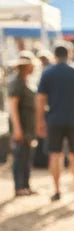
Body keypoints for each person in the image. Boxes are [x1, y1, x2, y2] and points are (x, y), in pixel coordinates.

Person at [35, 42, 74, 201]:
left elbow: (40, 99)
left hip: (54, 119)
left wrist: (40, 120)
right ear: (69, 54)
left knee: (55, 155)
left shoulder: (47, 73)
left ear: (54, 55)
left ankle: (56, 190)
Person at [6, 52, 37, 196]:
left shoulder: (26, 81)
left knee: (27, 156)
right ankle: (19, 187)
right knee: (19, 157)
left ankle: (26, 185)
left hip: (28, 127)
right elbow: (13, 107)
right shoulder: (17, 83)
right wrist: (17, 129)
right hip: (21, 126)